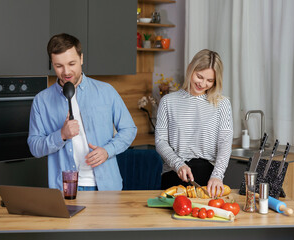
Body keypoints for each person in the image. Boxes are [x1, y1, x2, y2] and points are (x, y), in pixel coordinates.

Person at [28, 33, 137, 191]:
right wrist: (61, 135)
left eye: (71, 63)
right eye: (59, 66)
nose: (66, 71)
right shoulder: (41, 101)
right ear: (52, 64)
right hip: (65, 189)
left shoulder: (106, 91)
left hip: (106, 188)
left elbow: (129, 129)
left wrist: (108, 151)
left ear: (81, 58)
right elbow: (35, 147)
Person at [155, 49, 233, 198]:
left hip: (209, 178)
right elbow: (160, 141)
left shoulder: (222, 104)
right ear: (190, 68)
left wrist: (217, 175)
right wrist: (178, 164)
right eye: (199, 76)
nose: (203, 84)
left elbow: (225, 142)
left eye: (210, 81)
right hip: (174, 174)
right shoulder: (168, 102)